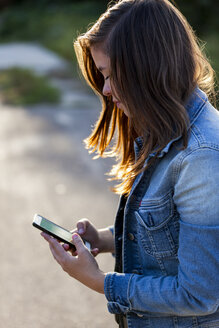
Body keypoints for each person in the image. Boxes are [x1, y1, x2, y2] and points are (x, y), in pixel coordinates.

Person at [41, 0, 219, 327]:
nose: (106, 90)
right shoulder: (165, 131)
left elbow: (199, 295)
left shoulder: (201, 156)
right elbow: (172, 227)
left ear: (146, 67)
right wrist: (105, 239)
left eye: (110, 75)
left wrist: (101, 282)